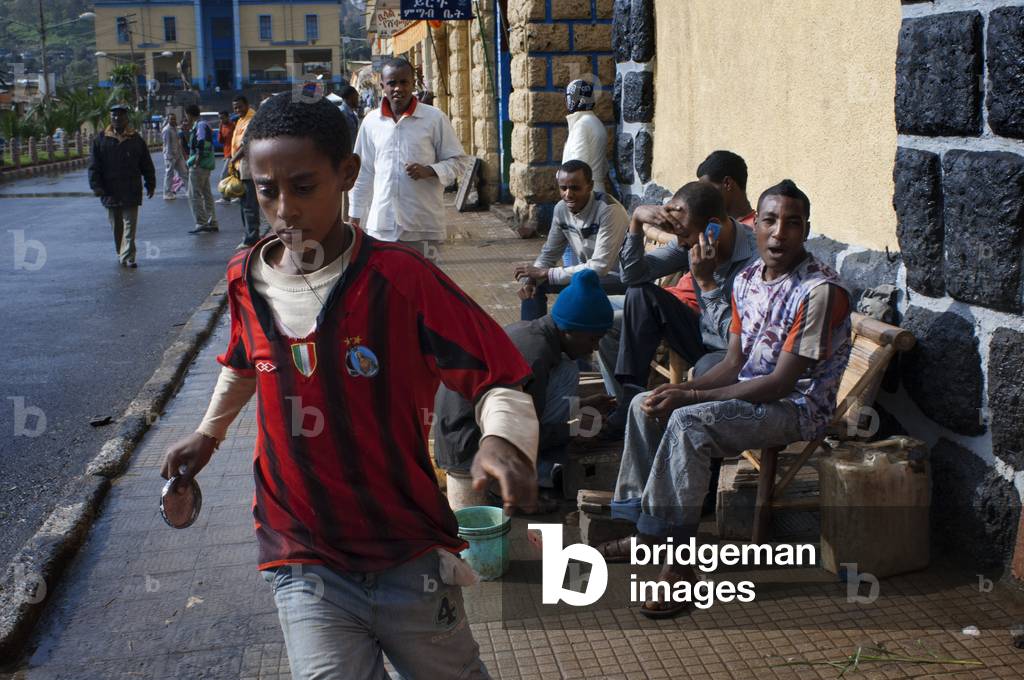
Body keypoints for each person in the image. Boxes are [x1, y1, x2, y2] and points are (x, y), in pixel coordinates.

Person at [160, 94, 538, 680]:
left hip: (406, 549)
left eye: (304, 186)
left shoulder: (401, 279)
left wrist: (503, 439)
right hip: (301, 549)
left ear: (347, 174)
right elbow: (243, 361)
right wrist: (208, 435)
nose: (284, 209)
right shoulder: (244, 279)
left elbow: (496, 372)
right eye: (266, 190)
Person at [598, 180, 852, 618]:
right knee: (648, 403)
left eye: (792, 224)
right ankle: (644, 534)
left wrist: (694, 394)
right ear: (755, 225)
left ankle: (679, 564)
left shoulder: (819, 291)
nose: (779, 233)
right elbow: (735, 361)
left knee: (687, 423)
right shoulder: (749, 278)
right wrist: (680, 390)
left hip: (795, 409)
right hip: (753, 395)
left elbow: (778, 384)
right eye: (770, 221)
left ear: (805, 230)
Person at [435, 269, 616, 493]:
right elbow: (518, 431)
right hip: (468, 451)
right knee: (568, 373)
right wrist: (571, 431)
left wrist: (578, 407)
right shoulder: (536, 357)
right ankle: (534, 480)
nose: (595, 347)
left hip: (468, 433)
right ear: (568, 330)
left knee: (567, 370)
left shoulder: (533, 333)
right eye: (593, 339)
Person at [599, 180, 758, 435]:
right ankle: (631, 396)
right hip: (700, 332)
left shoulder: (755, 260)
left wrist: (706, 284)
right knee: (640, 293)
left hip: (733, 353)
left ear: (713, 228)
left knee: (707, 366)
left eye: (683, 235)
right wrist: (637, 222)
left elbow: (739, 343)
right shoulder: (691, 238)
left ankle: (696, 443)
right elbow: (633, 277)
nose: (681, 243)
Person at [350, 57, 470, 260]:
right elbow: (363, 172)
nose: (398, 88)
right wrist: (354, 218)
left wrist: (430, 170)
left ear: (413, 84)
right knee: (386, 288)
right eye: (392, 83)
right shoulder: (371, 122)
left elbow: (459, 162)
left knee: (422, 288)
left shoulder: (434, 119)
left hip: (423, 226)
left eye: (404, 82)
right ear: (382, 86)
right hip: (381, 228)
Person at [514, 160, 628, 321]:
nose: (568, 194)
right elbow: (549, 254)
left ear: (590, 186)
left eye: (575, 188)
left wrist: (546, 272)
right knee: (533, 285)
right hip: (588, 275)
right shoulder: (561, 209)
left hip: (619, 278)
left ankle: (565, 338)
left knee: (572, 288)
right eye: (563, 188)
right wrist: (532, 278)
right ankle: (531, 336)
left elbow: (600, 267)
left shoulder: (609, 210)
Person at [88, 103, 156, 268]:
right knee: (117, 226)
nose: (117, 118)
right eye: (114, 116)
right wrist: (96, 186)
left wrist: (150, 183)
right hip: (110, 190)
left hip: (131, 189)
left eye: (121, 115)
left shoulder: (136, 140)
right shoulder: (100, 140)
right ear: (110, 118)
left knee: (130, 224)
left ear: (127, 119)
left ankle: (129, 256)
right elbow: (94, 166)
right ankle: (121, 252)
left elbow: (146, 164)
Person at [562, 79, 608, 193]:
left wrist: (560, 177)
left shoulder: (581, 125)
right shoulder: (596, 122)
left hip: (583, 194)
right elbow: (605, 166)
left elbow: (577, 164)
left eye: (569, 96)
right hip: (595, 189)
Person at [228, 95, 260, 249]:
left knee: (249, 205)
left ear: (247, 105)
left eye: (240, 106)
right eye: (235, 108)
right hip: (241, 167)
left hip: (248, 167)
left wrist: (233, 159)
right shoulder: (241, 120)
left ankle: (252, 237)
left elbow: (245, 144)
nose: (237, 110)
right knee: (243, 203)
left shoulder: (251, 120)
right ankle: (248, 234)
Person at [183, 104, 218, 234]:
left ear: (189, 114)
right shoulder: (202, 125)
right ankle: (212, 221)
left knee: (194, 195)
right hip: (205, 166)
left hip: (199, 165)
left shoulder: (200, 125)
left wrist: (196, 161)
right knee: (206, 194)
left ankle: (201, 222)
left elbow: (201, 142)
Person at [160, 112, 187, 200]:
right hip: (170, 156)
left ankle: (190, 191)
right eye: (171, 119)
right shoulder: (166, 130)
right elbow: (167, 145)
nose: (173, 120)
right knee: (169, 174)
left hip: (178, 155)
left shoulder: (175, 128)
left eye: (174, 119)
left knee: (184, 173)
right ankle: (167, 193)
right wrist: (169, 157)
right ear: (168, 120)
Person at [215, 110, 236, 203]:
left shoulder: (233, 126)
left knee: (224, 175)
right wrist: (220, 129)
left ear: (228, 117)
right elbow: (221, 141)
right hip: (227, 153)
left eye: (223, 118)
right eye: (220, 118)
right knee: (233, 175)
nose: (221, 120)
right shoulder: (222, 126)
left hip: (233, 154)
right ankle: (235, 196)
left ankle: (225, 197)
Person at [337, 84, 360, 154]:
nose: (358, 100)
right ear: (351, 97)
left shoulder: (352, 113)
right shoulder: (341, 112)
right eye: (356, 97)